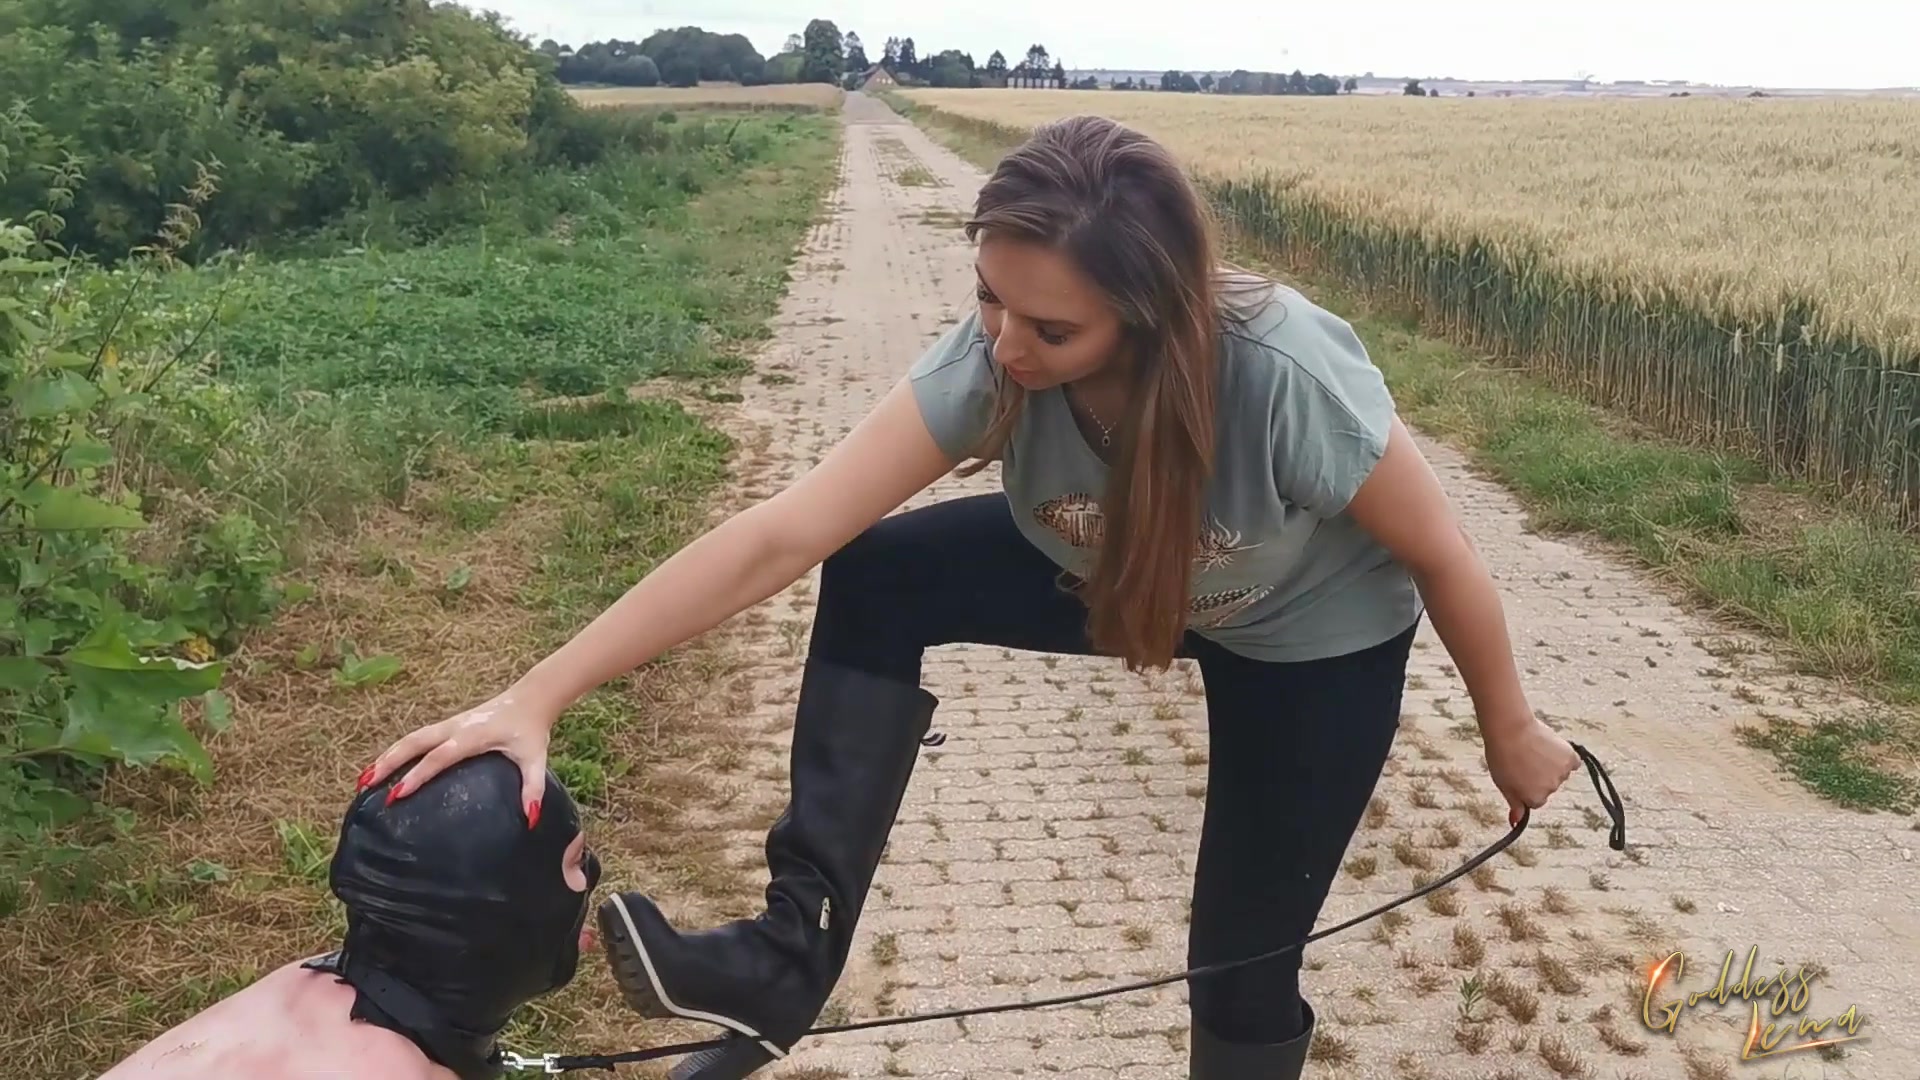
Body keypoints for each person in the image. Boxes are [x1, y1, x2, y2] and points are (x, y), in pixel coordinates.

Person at [362, 114, 1579, 1080]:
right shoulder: (993, 354)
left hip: (1310, 641)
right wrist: (537, 694)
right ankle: (786, 957)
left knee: (1240, 966)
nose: (1003, 344)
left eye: (1049, 325)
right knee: (882, 570)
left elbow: (1446, 556)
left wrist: (1509, 729)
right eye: (988, 296)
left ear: (1151, 312)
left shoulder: (1282, 373)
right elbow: (786, 530)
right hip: (1113, 573)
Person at [99, 752, 601, 1080]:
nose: (593, 873)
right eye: (575, 861)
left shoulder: (306, 985)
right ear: (498, 910)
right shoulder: (392, 1071)